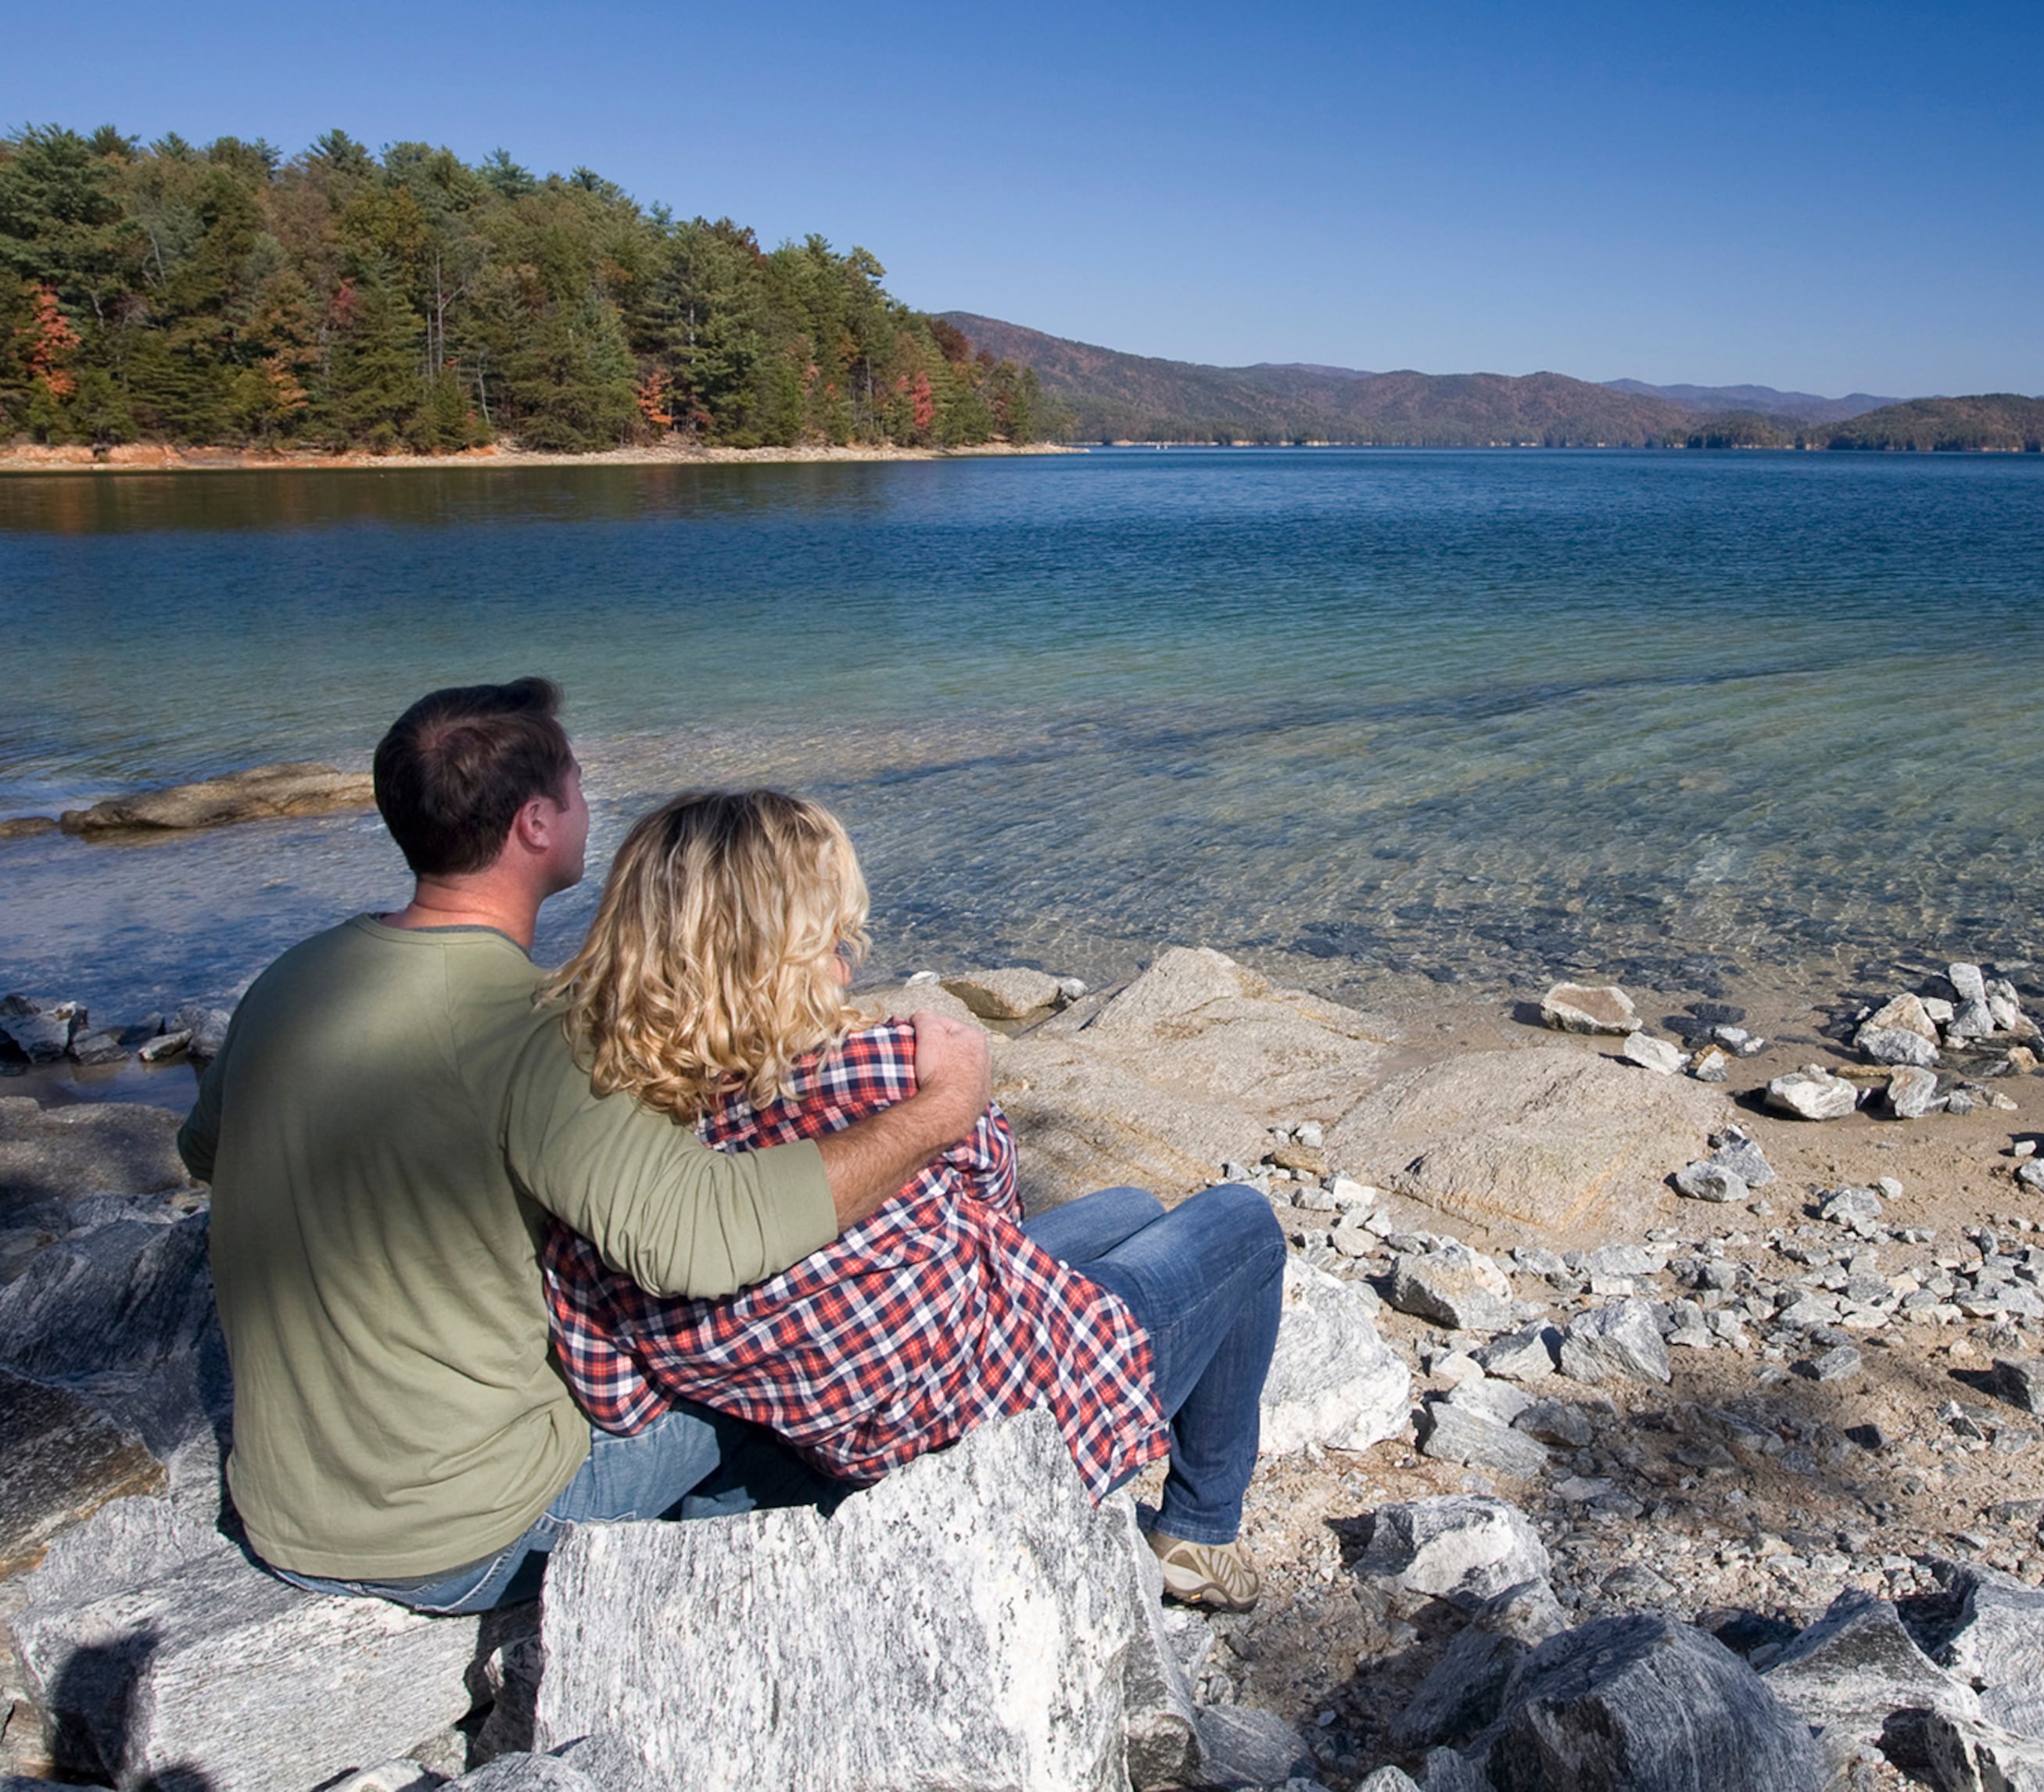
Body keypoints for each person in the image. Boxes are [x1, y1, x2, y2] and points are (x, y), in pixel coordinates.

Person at [178, 679, 995, 1613]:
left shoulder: (295, 977)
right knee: (770, 1367)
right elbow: (702, 1239)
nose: (587, 803)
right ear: (536, 824)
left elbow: (206, 1151)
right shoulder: (520, 1032)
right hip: (469, 1537)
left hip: (286, 1515)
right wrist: (937, 1116)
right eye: (576, 783)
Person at [536, 789, 1283, 1611]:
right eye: (829, 943)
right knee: (1244, 1222)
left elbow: (611, 1385)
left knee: (1133, 1206)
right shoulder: (885, 1076)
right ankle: (1199, 1530)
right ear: (782, 956)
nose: (847, 967)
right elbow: (992, 1212)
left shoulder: (609, 1134)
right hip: (999, 1424)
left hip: (840, 1421)